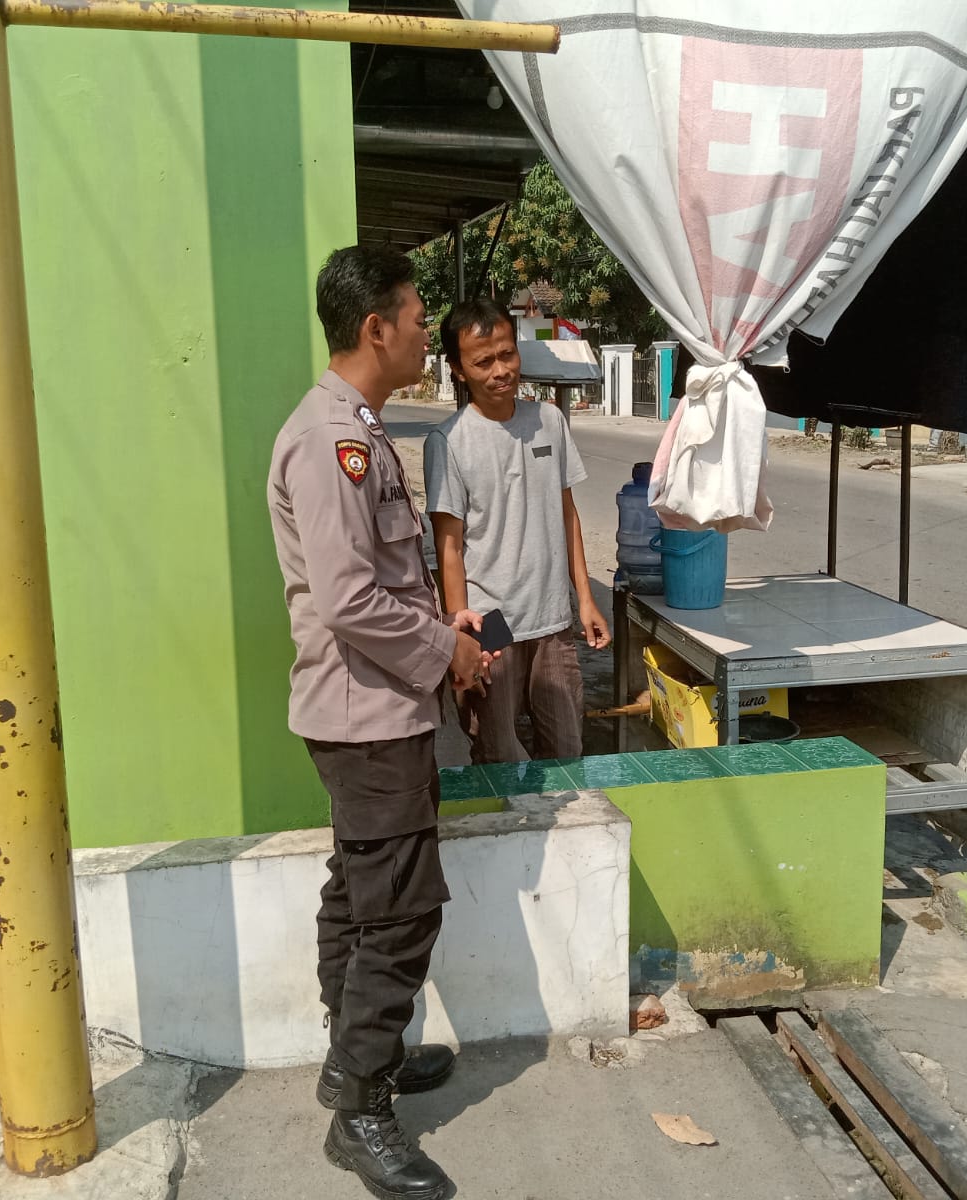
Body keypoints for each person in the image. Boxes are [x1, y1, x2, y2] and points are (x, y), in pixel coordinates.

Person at [267, 245, 492, 1200]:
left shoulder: (356, 428)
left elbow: (380, 584)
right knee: (400, 908)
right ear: (375, 328)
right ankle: (361, 1111)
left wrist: (445, 630)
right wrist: (449, 653)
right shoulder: (333, 441)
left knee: (362, 893)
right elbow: (350, 599)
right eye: (416, 316)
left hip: (376, 707)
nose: (425, 334)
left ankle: (358, 1061)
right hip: (367, 717)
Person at [423, 297, 610, 765]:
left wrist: (585, 599)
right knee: (498, 756)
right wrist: (460, 636)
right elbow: (449, 548)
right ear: (458, 370)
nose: (500, 370)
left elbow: (567, 513)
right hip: (491, 627)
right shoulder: (448, 442)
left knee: (566, 752)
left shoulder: (548, 421)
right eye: (483, 362)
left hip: (552, 620)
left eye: (507, 354)